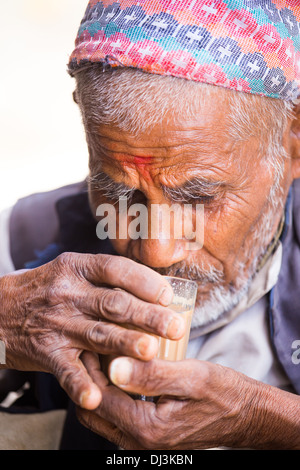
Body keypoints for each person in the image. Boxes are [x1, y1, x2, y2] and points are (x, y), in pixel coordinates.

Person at [0, 0, 300, 449]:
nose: (155, 250)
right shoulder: (25, 242)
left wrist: (271, 420)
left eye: (198, 197)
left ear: (292, 143)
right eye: (119, 194)